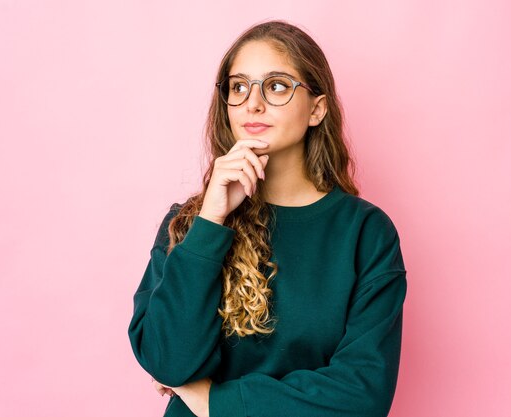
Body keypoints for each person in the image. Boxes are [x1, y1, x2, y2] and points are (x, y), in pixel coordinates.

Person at [128, 20, 407, 417]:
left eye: (276, 85)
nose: (252, 103)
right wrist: (212, 218)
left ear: (317, 109)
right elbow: (167, 361)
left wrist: (217, 402)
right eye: (238, 87)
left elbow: (363, 393)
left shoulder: (365, 233)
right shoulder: (192, 223)